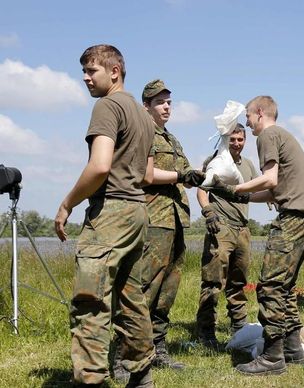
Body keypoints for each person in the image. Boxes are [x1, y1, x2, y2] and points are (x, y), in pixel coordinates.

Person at [54, 44, 156, 386]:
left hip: (111, 211)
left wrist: (68, 203)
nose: (85, 78)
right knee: (132, 299)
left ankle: (91, 380)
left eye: (91, 70)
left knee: (91, 301)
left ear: (115, 71)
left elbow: (99, 166)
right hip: (138, 210)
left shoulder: (107, 105)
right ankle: (142, 377)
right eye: (83, 71)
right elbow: (145, 174)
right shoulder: (144, 116)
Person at [221, 96, 304, 375]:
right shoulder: (282, 135)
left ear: (260, 113)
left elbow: (270, 179)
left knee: (271, 286)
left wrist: (236, 188)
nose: (248, 122)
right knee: (285, 285)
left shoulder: (267, 135)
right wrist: (236, 194)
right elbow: (273, 190)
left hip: (294, 216)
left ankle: (273, 356)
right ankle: (292, 348)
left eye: (249, 116)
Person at [137, 79, 204, 370]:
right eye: (160, 102)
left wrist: (199, 174)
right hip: (154, 220)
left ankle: (157, 350)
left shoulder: (172, 139)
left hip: (176, 220)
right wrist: (180, 176)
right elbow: (145, 174)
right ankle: (125, 354)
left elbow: (184, 170)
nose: (166, 107)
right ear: (146, 106)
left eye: (169, 102)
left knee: (167, 290)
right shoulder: (142, 134)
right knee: (144, 288)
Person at [195, 123, 258, 348]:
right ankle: (206, 331)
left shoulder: (249, 165)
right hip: (220, 227)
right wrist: (208, 211)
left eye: (240, 139)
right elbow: (202, 190)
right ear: (225, 140)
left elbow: (258, 189)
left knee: (239, 281)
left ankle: (239, 327)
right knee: (213, 282)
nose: (236, 143)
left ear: (245, 141)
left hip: (242, 229)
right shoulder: (216, 161)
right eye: (232, 139)